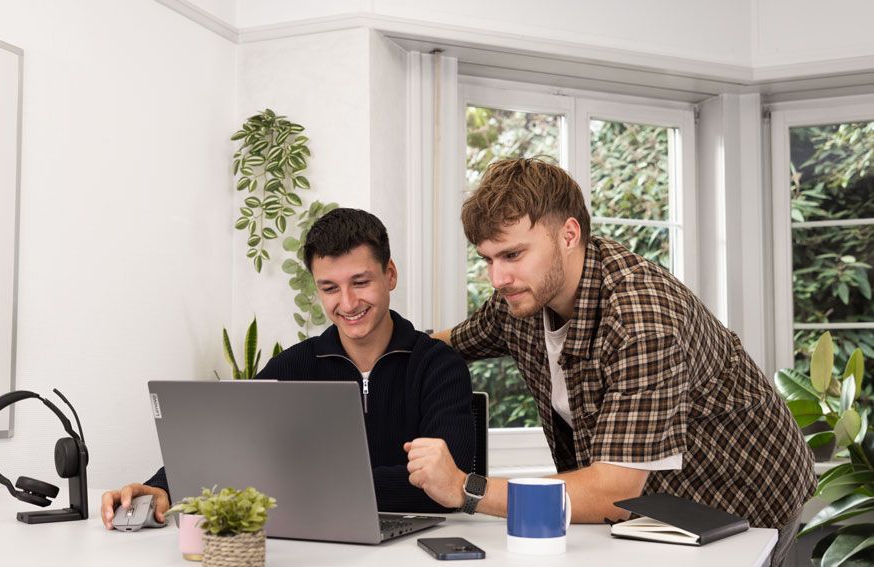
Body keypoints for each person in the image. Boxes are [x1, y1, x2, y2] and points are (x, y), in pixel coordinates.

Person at [407, 158, 815, 567]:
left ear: (569, 234)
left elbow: (614, 494)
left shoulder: (642, 318)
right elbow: (445, 343)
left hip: (746, 500)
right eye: (488, 259)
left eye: (512, 254)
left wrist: (466, 488)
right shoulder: (521, 300)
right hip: (651, 514)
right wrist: (370, 329)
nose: (497, 279)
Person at [102, 208, 475, 528]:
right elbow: (227, 444)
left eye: (360, 282)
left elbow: (447, 486)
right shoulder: (294, 364)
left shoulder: (440, 366)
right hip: (312, 545)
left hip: (413, 546)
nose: (347, 303)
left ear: (389, 275)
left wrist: (298, 485)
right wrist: (163, 486)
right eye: (329, 288)